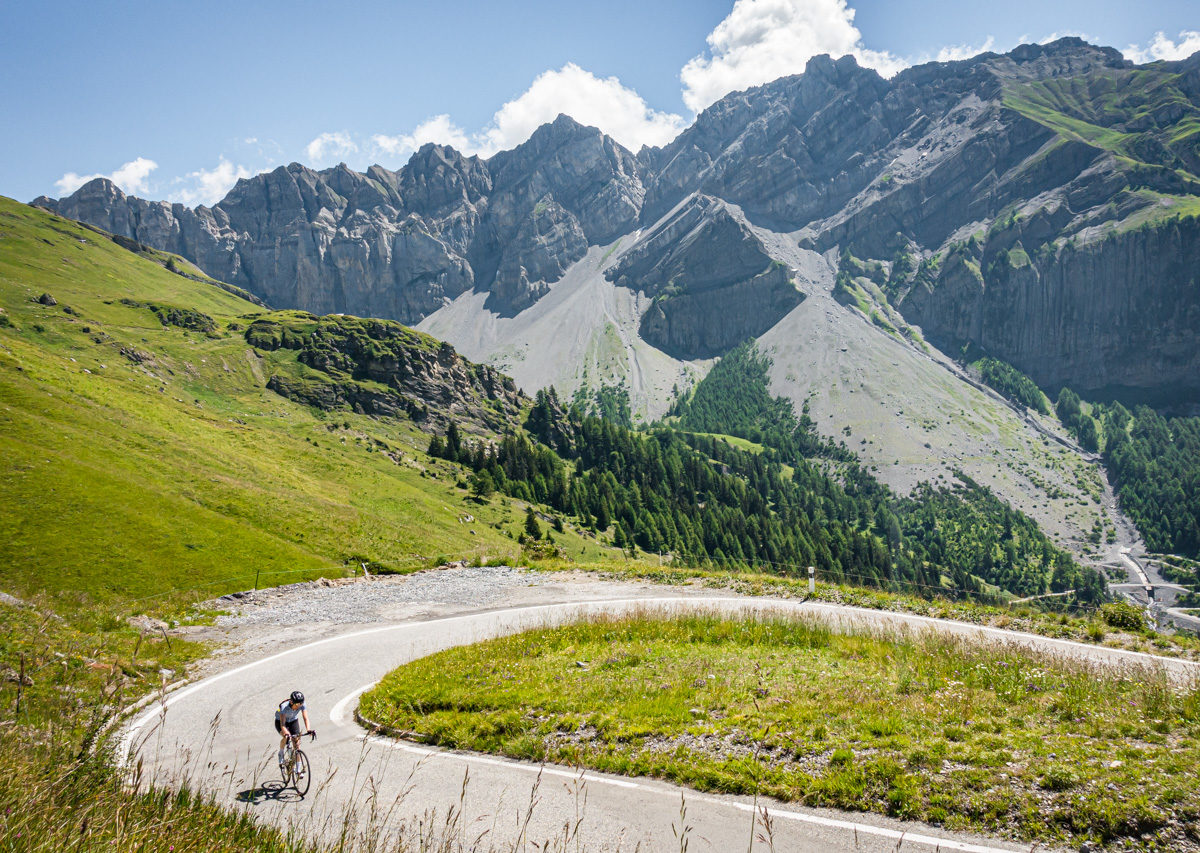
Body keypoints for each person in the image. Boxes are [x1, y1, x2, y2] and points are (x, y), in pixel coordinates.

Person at [275, 690, 313, 770]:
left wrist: (308, 729)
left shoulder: (301, 704)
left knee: (297, 744)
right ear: (292, 702)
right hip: (281, 722)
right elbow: (282, 724)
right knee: (286, 737)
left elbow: (305, 718)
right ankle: (281, 753)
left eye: (301, 703)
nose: (300, 706)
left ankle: (298, 768)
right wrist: (287, 733)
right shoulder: (284, 706)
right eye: (298, 704)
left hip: (293, 721)